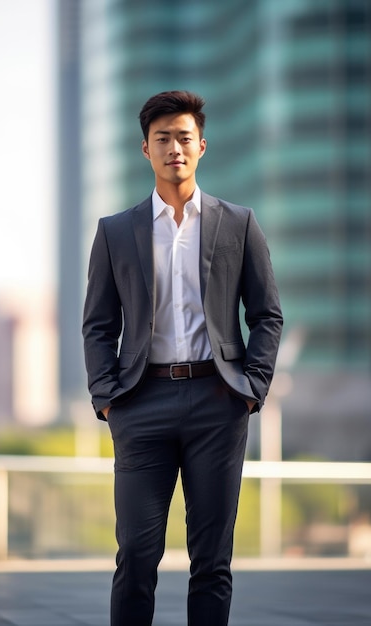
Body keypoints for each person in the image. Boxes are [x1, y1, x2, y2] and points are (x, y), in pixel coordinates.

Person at [83, 90, 283, 626]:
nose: (175, 147)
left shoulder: (238, 224)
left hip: (218, 403)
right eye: (163, 138)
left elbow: (267, 314)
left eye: (185, 137)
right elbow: (99, 325)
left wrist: (252, 387)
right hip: (139, 403)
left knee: (213, 563)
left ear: (202, 146)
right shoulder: (115, 231)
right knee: (136, 559)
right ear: (145, 149)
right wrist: (108, 400)